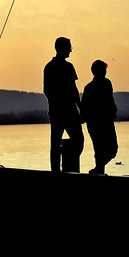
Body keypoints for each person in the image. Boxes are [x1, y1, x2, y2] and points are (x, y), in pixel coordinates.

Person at [43, 37, 84, 172]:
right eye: (69, 48)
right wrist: (79, 106)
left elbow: (72, 89)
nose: (70, 51)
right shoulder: (61, 67)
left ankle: (64, 168)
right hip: (64, 111)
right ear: (62, 48)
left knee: (64, 142)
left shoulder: (54, 67)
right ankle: (58, 171)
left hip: (61, 110)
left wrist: (79, 107)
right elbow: (72, 89)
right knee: (67, 142)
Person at [81, 60, 118, 175]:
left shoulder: (92, 87)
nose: (105, 72)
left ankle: (98, 169)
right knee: (104, 150)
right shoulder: (102, 84)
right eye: (103, 69)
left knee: (106, 150)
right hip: (99, 122)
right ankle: (99, 171)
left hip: (99, 122)